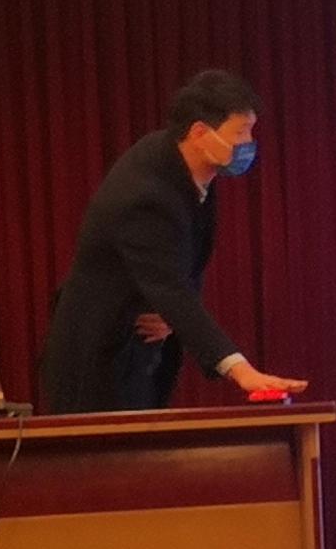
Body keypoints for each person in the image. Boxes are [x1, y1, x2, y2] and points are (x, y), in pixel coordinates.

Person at [40, 70, 307, 416]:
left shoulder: (182, 163)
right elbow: (170, 288)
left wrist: (170, 314)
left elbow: (181, 268)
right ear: (200, 133)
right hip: (98, 357)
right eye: (241, 132)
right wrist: (241, 372)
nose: (249, 143)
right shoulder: (145, 194)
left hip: (139, 349)